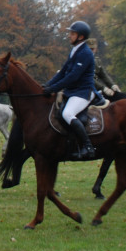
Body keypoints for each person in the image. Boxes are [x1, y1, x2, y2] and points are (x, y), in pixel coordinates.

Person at [41, 20, 96, 160]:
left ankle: (88, 147)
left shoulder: (85, 53)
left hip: (83, 92)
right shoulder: (74, 51)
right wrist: (47, 85)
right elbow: (63, 72)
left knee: (67, 113)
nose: (69, 36)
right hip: (73, 92)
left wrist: (53, 88)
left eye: (72, 33)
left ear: (81, 37)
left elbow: (72, 77)